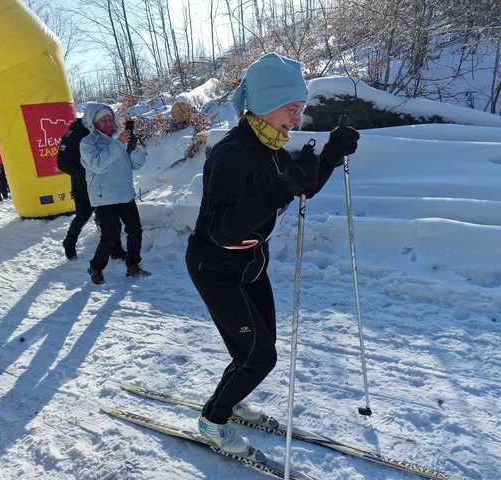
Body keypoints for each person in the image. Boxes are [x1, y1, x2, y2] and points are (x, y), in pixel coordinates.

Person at [185, 52, 360, 455]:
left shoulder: (272, 146)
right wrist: (278, 190)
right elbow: (221, 228)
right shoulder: (232, 154)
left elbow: (302, 186)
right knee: (259, 356)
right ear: (264, 105)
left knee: (256, 350)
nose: (297, 120)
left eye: (300, 110)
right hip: (216, 266)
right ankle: (213, 422)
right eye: (291, 110)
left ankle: (232, 402)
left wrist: (331, 155)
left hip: (251, 263)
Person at [80, 102, 151, 284]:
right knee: (110, 235)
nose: (109, 123)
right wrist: (120, 144)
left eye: (110, 119)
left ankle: (133, 265)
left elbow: (137, 164)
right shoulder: (87, 143)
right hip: (104, 197)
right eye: (103, 120)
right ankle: (96, 267)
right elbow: (98, 164)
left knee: (135, 230)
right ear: (94, 124)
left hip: (125, 193)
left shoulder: (119, 140)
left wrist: (133, 149)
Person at [58, 113, 127, 261]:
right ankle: (69, 242)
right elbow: (62, 163)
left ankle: (116, 249)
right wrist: (87, 173)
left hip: (104, 182)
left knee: (111, 215)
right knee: (83, 215)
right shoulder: (75, 134)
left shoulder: (104, 130)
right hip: (82, 183)